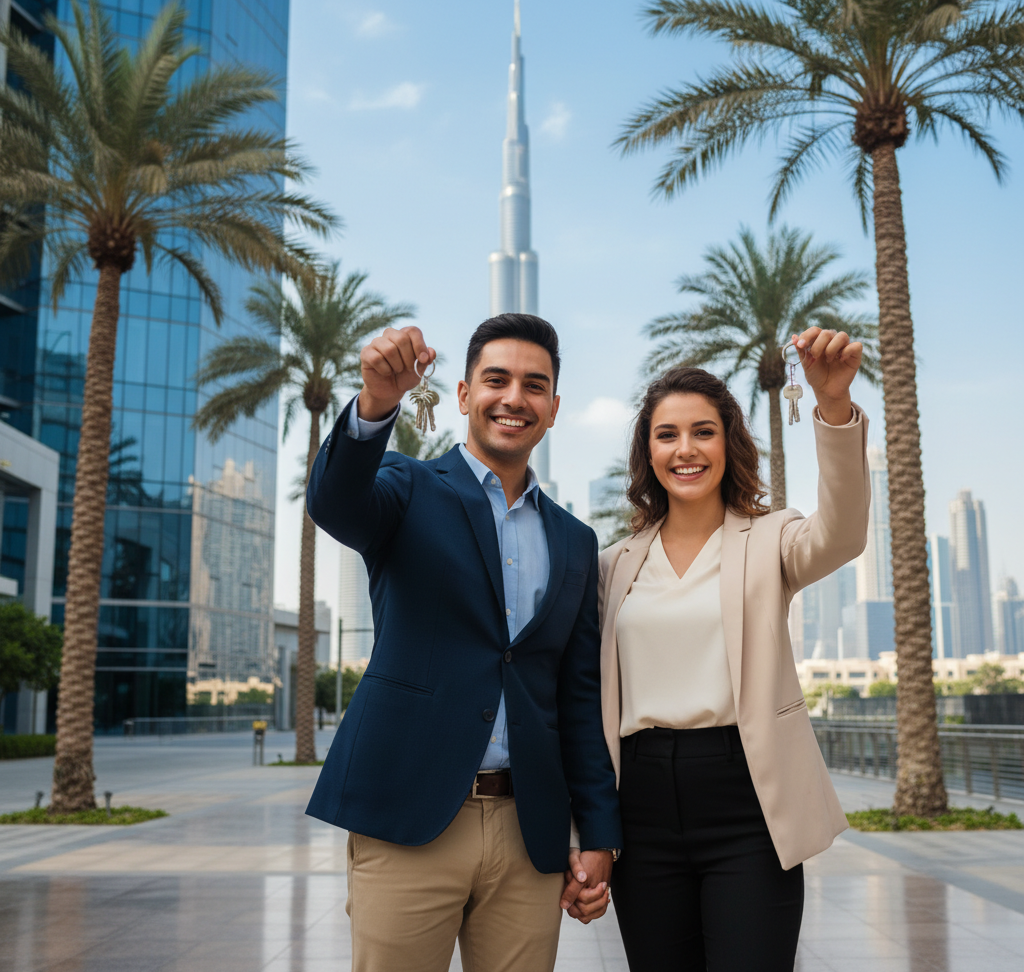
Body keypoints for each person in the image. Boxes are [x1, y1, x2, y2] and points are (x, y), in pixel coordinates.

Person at [305, 313, 622, 972]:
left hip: (528, 830)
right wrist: (376, 403)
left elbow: (577, 698)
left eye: (535, 386)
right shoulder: (406, 487)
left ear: (554, 409)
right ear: (462, 394)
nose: (514, 398)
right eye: (496, 380)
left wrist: (599, 834)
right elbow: (335, 503)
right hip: (409, 816)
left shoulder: (575, 540)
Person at [599, 327, 869, 971]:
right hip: (640, 807)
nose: (685, 449)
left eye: (703, 432)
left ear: (729, 443)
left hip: (748, 801)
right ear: (647, 452)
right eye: (667, 435)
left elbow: (843, 533)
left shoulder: (772, 539)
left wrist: (833, 404)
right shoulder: (612, 565)